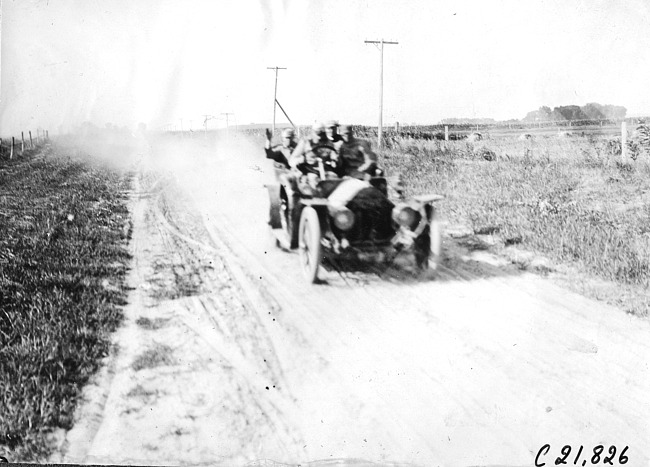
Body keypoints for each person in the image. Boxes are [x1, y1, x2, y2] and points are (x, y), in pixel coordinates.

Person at [289, 122, 339, 192]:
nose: (319, 137)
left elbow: (332, 155)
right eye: (317, 134)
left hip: (323, 170)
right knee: (314, 180)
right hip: (308, 170)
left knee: (334, 178)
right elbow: (291, 161)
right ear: (313, 132)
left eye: (322, 134)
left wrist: (334, 159)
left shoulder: (328, 143)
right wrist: (304, 159)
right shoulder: (305, 142)